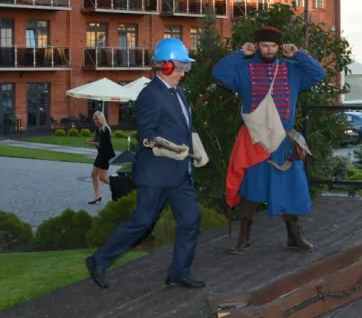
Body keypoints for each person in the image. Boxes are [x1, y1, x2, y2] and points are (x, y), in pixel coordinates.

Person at [85, 38, 210, 290]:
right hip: (155, 173)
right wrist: (173, 150)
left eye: (186, 67)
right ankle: (98, 260)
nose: (184, 72)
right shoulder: (150, 95)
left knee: (190, 219)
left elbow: (185, 127)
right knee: (142, 222)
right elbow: (146, 136)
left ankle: (179, 272)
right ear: (164, 67)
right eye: (180, 66)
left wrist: (197, 148)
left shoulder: (180, 92)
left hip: (179, 173)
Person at [214, 25, 326, 254]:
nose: (269, 50)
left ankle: (294, 237)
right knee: (250, 188)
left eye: (273, 46)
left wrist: (298, 54)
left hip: (283, 141)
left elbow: (319, 74)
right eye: (264, 45)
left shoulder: (291, 69)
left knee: (288, 188)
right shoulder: (244, 70)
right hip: (256, 139)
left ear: (279, 47)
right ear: (257, 46)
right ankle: (243, 239)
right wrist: (239, 53)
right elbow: (219, 74)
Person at [87, 110, 114, 204]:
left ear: (101, 119)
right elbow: (97, 139)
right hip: (100, 154)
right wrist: (91, 140)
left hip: (105, 155)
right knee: (94, 174)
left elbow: (104, 144)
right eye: (94, 118)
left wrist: (93, 143)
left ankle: (117, 186)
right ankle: (97, 197)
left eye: (97, 119)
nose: (95, 120)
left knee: (102, 178)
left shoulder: (105, 129)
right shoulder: (97, 129)